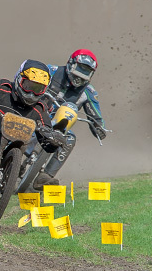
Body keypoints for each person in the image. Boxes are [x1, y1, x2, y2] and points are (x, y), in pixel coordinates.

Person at [0, 60, 67, 223]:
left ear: (44, 90)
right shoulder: (2, 87)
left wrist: (54, 139)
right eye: (28, 85)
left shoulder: (39, 109)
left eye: (38, 89)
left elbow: (47, 141)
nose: (31, 93)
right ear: (19, 79)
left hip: (7, 152)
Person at [33, 49, 107, 189]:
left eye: (86, 72)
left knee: (70, 138)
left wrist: (99, 128)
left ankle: (45, 177)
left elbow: (97, 118)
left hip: (60, 126)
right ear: (70, 63)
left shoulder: (89, 92)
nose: (80, 76)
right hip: (34, 114)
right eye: (79, 69)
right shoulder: (50, 71)